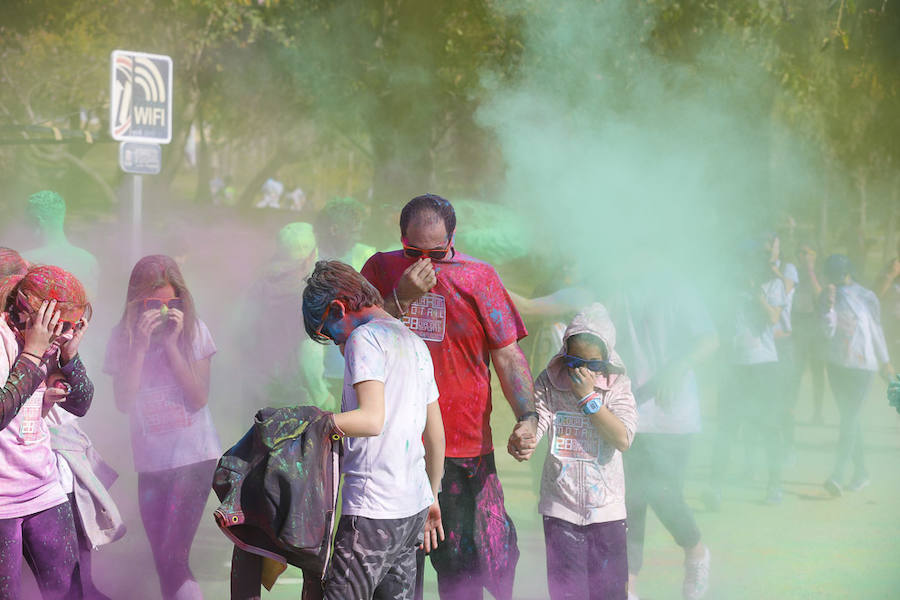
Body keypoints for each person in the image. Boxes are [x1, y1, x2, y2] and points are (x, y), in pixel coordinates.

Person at [361, 193, 537, 600]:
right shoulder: (380, 268)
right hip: (392, 449)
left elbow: (508, 355)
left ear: (453, 238)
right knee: (395, 581)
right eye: (413, 251)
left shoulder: (478, 277)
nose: (424, 263)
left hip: (462, 450)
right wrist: (400, 298)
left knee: (463, 576)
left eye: (436, 252)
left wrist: (527, 416)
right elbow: (353, 339)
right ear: (400, 236)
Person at [302, 260, 445, 600]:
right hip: (412, 509)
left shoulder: (363, 339)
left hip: (372, 512)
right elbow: (436, 433)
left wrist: (312, 423)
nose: (335, 344)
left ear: (338, 308)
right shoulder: (413, 340)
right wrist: (432, 495)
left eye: (326, 332)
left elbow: (370, 420)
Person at [104, 255, 221, 600]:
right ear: (137, 302)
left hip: (193, 460)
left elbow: (199, 397)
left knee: (173, 556)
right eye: (154, 304)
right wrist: (139, 348)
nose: (166, 312)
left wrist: (171, 346)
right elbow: (123, 401)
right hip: (151, 464)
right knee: (162, 560)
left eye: (174, 303)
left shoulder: (194, 330)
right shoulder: (122, 337)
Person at [611, 271, 717, 600]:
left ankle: (696, 551)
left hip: (673, 415)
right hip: (627, 413)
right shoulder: (617, 286)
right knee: (628, 503)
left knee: (664, 495)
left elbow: (709, 340)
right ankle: (629, 588)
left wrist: (678, 366)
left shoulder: (679, 289)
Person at [0, 264, 95, 600]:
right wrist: (32, 353)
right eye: (62, 326)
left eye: (73, 327)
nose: (64, 334)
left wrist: (69, 355)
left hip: (42, 488)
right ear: (34, 314)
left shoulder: (51, 343)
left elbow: (81, 403)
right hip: (2, 503)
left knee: (70, 594)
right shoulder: (6, 339)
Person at [532, 304, 637, 600]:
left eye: (594, 365)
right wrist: (524, 436)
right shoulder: (549, 383)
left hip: (607, 513)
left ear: (607, 360)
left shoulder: (618, 386)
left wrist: (588, 398)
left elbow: (623, 438)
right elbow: (537, 420)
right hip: (560, 508)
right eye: (575, 362)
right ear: (564, 355)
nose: (583, 372)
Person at [708, 240, 787, 507]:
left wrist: (756, 293)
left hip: (763, 366)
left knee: (769, 427)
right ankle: (715, 488)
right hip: (733, 367)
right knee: (726, 428)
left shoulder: (773, 285)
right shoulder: (727, 288)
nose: (745, 267)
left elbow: (774, 318)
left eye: (750, 262)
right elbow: (720, 323)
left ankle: (774, 485)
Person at [238, 223, 333, 415]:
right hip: (294, 398)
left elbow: (241, 334)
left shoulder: (258, 286)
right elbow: (309, 353)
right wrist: (322, 395)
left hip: (257, 392)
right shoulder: (308, 295)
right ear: (309, 257)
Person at [820, 254, 895, 496]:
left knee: (849, 419)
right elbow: (827, 329)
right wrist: (826, 306)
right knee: (849, 419)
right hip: (837, 365)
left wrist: (886, 361)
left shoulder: (866, 296)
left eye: (836, 275)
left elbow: (876, 329)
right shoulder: (827, 296)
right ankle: (862, 472)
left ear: (847, 273)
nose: (833, 280)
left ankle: (838, 475)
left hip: (863, 366)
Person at [21, 191, 100, 299]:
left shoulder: (24, 261)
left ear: (38, 221)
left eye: (26, 222)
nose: (25, 228)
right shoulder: (89, 260)